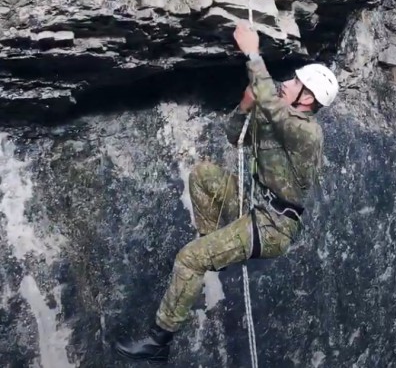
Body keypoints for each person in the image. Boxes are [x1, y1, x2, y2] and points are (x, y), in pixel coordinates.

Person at [114, 21, 338, 363]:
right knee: (204, 174)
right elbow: (234, 135)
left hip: (272, 226)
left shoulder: (307, 133)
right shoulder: (277, 121)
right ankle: (213, 242)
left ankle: (159, 341)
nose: (286, 83)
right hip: (253, 206)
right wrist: (244, 107)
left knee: (190, 258)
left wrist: (252, 51)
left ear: (307, 98)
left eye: (294, 82)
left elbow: (272, 104)